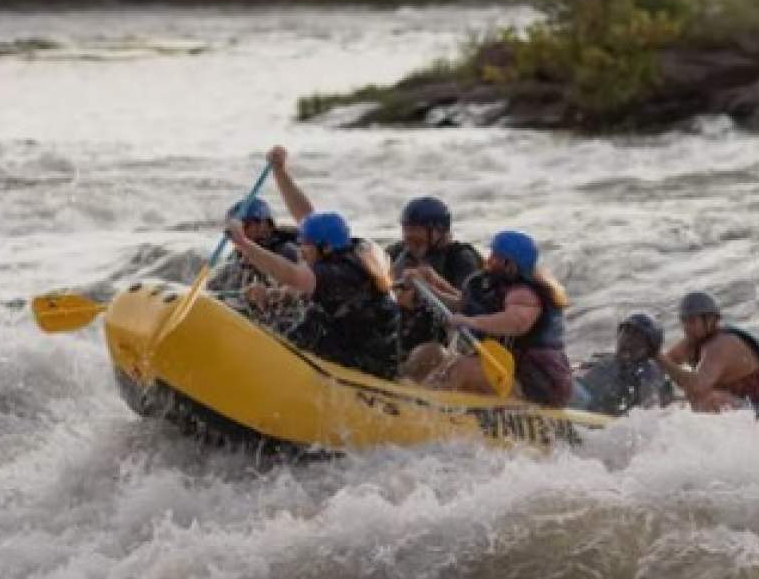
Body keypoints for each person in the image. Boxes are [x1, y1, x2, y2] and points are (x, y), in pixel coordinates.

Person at [225, 147, 399, 379]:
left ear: (324, 247)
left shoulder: (340, 272)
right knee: (283, 313)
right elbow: (308, 218)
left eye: (305, 245)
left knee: (290, 328)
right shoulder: (346, 246)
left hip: (367, 361)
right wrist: (280, 171)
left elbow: (293, 277)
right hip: (354, 338)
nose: (300, 249)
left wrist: (244, 243)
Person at [403, 230, 572, 407]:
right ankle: (398, 394)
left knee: (465, 368)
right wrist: (426, 286)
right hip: (503, 371)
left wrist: (470, 322)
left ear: (510, 265)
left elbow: (516, 323)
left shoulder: (526, 294)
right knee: (431, 353)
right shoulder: (493, 285)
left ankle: (421, 409)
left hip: (534, 384)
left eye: (495, 257)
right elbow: (461, 307)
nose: (489, 260)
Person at [656, 291, 759, 426]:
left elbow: (697, 387)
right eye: (683, 321)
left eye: (692, 321)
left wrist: (657, 356)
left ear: (710, 320)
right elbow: (662, 365)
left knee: (707, 399)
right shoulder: (692, 343)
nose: (686, 328)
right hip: (745, 410)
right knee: (678, 406)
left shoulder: (722, 345)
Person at [386, 196, 483, 356]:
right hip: (401, 337)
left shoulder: (461, 258)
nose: (409, 236)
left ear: (439, 231)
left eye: (416, 229)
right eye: (406, 229)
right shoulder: (395, 253)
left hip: (444, 342)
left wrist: (428, 289)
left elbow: (469, 305)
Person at [571, 313, 674, 416]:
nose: (627, 340)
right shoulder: (605, 359)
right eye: (625, 332)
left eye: (637, 338)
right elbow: (577, 370)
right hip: (580, 400)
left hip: (592, 411)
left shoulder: (649, 372)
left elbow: (648, 410)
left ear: (650, 349)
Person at [209, 197, 299, 293]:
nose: (240, 231)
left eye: (245, 225)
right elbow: (215, 287)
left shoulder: (288, 249)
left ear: (264, 224)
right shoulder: (238, 253)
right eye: (235, 228)